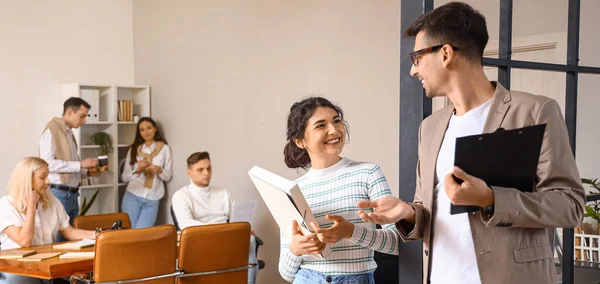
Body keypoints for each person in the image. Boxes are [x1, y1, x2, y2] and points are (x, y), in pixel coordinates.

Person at [356, 2, 585, 284]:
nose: (413, 71)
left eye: (417, 57)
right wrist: (408, 213)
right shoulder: (429, 128)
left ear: (446, 54)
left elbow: (570, 206)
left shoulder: (534, 112)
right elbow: (430, 209)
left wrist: (491, 199)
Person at [279, 96, 400, 284]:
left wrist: (351, 231)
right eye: (321, 125)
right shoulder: (294, 191)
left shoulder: (368, 173)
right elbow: (286, 273)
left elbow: (397, 243)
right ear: (300, 141)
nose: (334, 130)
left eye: (337, 121)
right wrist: (296, 249)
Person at [0, 157, 96, 284]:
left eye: (48, 176)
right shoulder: (6, 205)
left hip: (47, 269)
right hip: (18, 271)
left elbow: (69, 232)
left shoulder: (53, 202)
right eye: (42, 177)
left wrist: (99, 235)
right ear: (27, 179)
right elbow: (24, 241)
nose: (48, 181)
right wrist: (31, 206)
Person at [171, 152, 259, 284]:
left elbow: (233, 218)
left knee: (250, 239)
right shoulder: (181, 196)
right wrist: (219, 230)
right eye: (200, 170)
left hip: (226, 238)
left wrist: (243, 229)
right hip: (200, 240)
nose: (206, 173)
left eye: (209, 168)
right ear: (189, 172)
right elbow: (186, 224)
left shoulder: (223, 193)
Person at [39, 97, 102, 242]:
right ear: (69, 111)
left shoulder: (69, 133)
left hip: (72, 195)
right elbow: (47, 164)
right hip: (59, 193)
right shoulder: (51, 131)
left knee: (74, 242)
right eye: (82, 116)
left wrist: (89, 172)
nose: (84, 121)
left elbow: (70, 167)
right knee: (62, 242)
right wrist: (80, 164)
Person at [121, 117, 172, 228]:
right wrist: (137, 170)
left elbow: (168, 176)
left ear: (155, 129)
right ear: (139, 133)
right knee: (128, 234)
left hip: (153, 198)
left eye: (149, 128)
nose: (146, 132)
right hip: (133, 196)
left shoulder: (165, 149)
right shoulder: (134, 149)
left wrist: (160, 170)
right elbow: (124, 177)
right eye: (142, 130)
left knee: (142, 235)